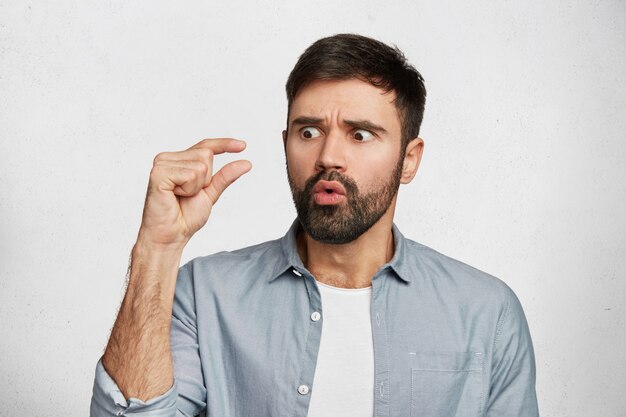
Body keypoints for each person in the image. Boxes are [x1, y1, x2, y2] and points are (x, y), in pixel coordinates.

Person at [90, 34, 539, 417]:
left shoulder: (487, 312)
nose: (328, 156)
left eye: (360, 134)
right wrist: (157, 248)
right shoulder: (203, 295)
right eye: (308, 131)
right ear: (285, 143)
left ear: (409, 159)